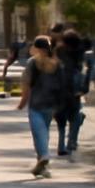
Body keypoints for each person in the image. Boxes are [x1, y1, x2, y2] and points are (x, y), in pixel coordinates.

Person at [17, 35, 63, 177]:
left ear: (36, 48)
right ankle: (42, 165)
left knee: (39, 132)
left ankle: (43, 155)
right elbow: (62, 84)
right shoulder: (57, 64)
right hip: (51, 104)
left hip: (36, 104)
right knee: (44, 131)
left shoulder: (32, 63)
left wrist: (23, 102)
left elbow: (26, 84)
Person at [54, 29, 89, 156]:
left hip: (61, 90)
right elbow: (83, 71)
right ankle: (71, 142)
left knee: (61, 121)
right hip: (74, 90)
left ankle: (61, 145)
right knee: (74, 117)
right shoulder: (79, 53)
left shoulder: (59, 51)